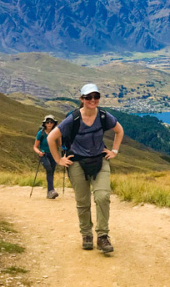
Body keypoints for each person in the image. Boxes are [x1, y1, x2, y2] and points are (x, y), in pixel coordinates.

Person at [48, 83, 124, 253]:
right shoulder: (73, 119)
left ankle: (103, 236)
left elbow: (120, 131)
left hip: (99, 160)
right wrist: (59, 160)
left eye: (96, 97)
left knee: (102, 196)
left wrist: (114, 151)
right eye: (88, 97)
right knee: (82, 201)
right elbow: (51, 138)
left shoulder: (104, 116)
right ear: (81, 99)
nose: (93, 100)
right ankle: (86, 235)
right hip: (77, 162)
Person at [34, 115, 59, 199]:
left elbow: (60, 144)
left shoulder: (56, 132)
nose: (49, 124)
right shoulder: (40, 133)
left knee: (51, 172)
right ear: (44, 123)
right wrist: (39, 152)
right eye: (47, 122)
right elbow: (35, 146)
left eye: (51, 122)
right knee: (49, 168)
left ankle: (50, 192)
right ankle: (51, 190)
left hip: (53, 154)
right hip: (44, 154)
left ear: (54, 123)